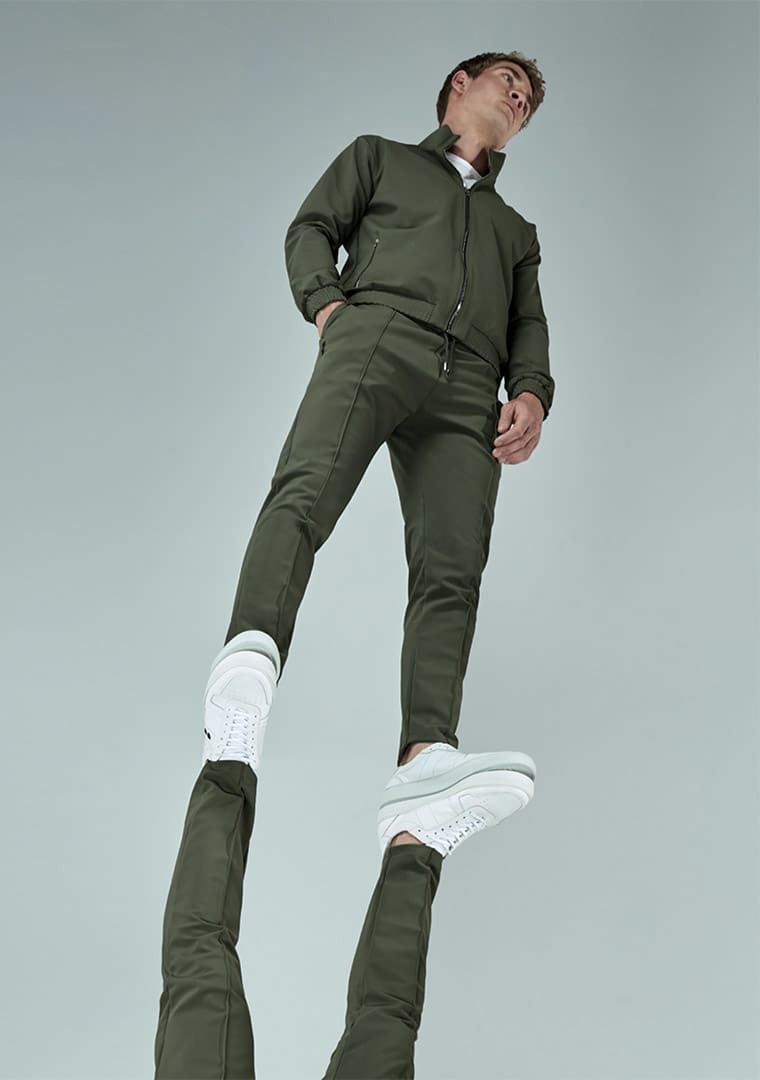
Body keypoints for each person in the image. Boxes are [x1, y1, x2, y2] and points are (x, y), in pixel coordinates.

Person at [154, 49, 555, 1080]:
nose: (518, 97)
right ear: (456, 88)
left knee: (452, 572)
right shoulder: (380, 159)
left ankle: (426, 759)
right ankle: (251, 658)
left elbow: (529, 325)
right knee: (304, 495)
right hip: (379, 329)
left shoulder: (514, 232)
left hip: (468, 384)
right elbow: (309, 229)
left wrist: (532, 391)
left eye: (528, 97)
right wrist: (327, 305)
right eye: (504, 81)